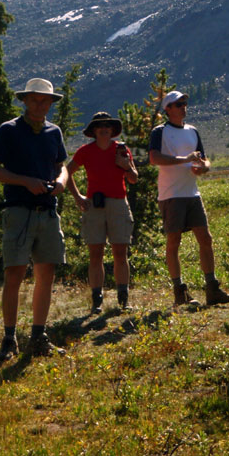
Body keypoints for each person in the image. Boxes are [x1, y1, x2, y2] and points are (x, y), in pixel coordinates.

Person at [0, 77, 69, 363]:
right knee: (14, 275)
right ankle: (9, 339)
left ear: (50, 103)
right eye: (34, 99)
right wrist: (25, 182)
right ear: (24, 101)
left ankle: (38, 335)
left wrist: (60, 182)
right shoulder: (8, 130)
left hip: (47, 210)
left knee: (46, 275)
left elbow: (62, 167)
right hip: (18, 210)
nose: (40, 104)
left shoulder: (53, 132)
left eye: (45, 100)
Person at [148, 90, 229, 307]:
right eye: (178, 104)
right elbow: (154, 158)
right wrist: (184, 160)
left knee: (205, 238)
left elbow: (204, 159)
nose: (183, 107)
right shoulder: (160, 132)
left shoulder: (193, 131)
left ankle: (212, 288)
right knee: (173, 242)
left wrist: (203, 168)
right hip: (171, 194)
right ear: (168, 109)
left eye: (184, 103)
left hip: (191, 192)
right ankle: (179, 292)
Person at [67, 112, 139, 314]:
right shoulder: (85, 151)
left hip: (118, 204)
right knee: (95, 254)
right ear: (94, 131)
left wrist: (126, 166)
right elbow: (67, 172)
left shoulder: (121, 150)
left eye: (107, 125)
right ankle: (96, 300)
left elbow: (134, 178)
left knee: (120, 253)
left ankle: (123, 299)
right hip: (94, 206)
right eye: (100, 126)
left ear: (112, 129)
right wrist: (78, 197)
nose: (104, 128)